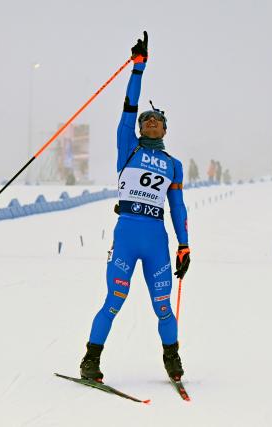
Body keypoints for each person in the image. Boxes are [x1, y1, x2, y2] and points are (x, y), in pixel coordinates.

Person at [80, 32, 191, 383]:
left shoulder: (173, 164)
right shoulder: (127, 147)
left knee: (162, 306)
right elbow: (128, 108)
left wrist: (184, 244)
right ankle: (90, 360)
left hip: (157, 240)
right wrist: (138, 68)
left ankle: (171, 358)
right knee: (114, 299)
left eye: (156, 120)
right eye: (146, 120)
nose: (150, 122)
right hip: (127, 233)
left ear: (165, 128)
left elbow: (178, 207)